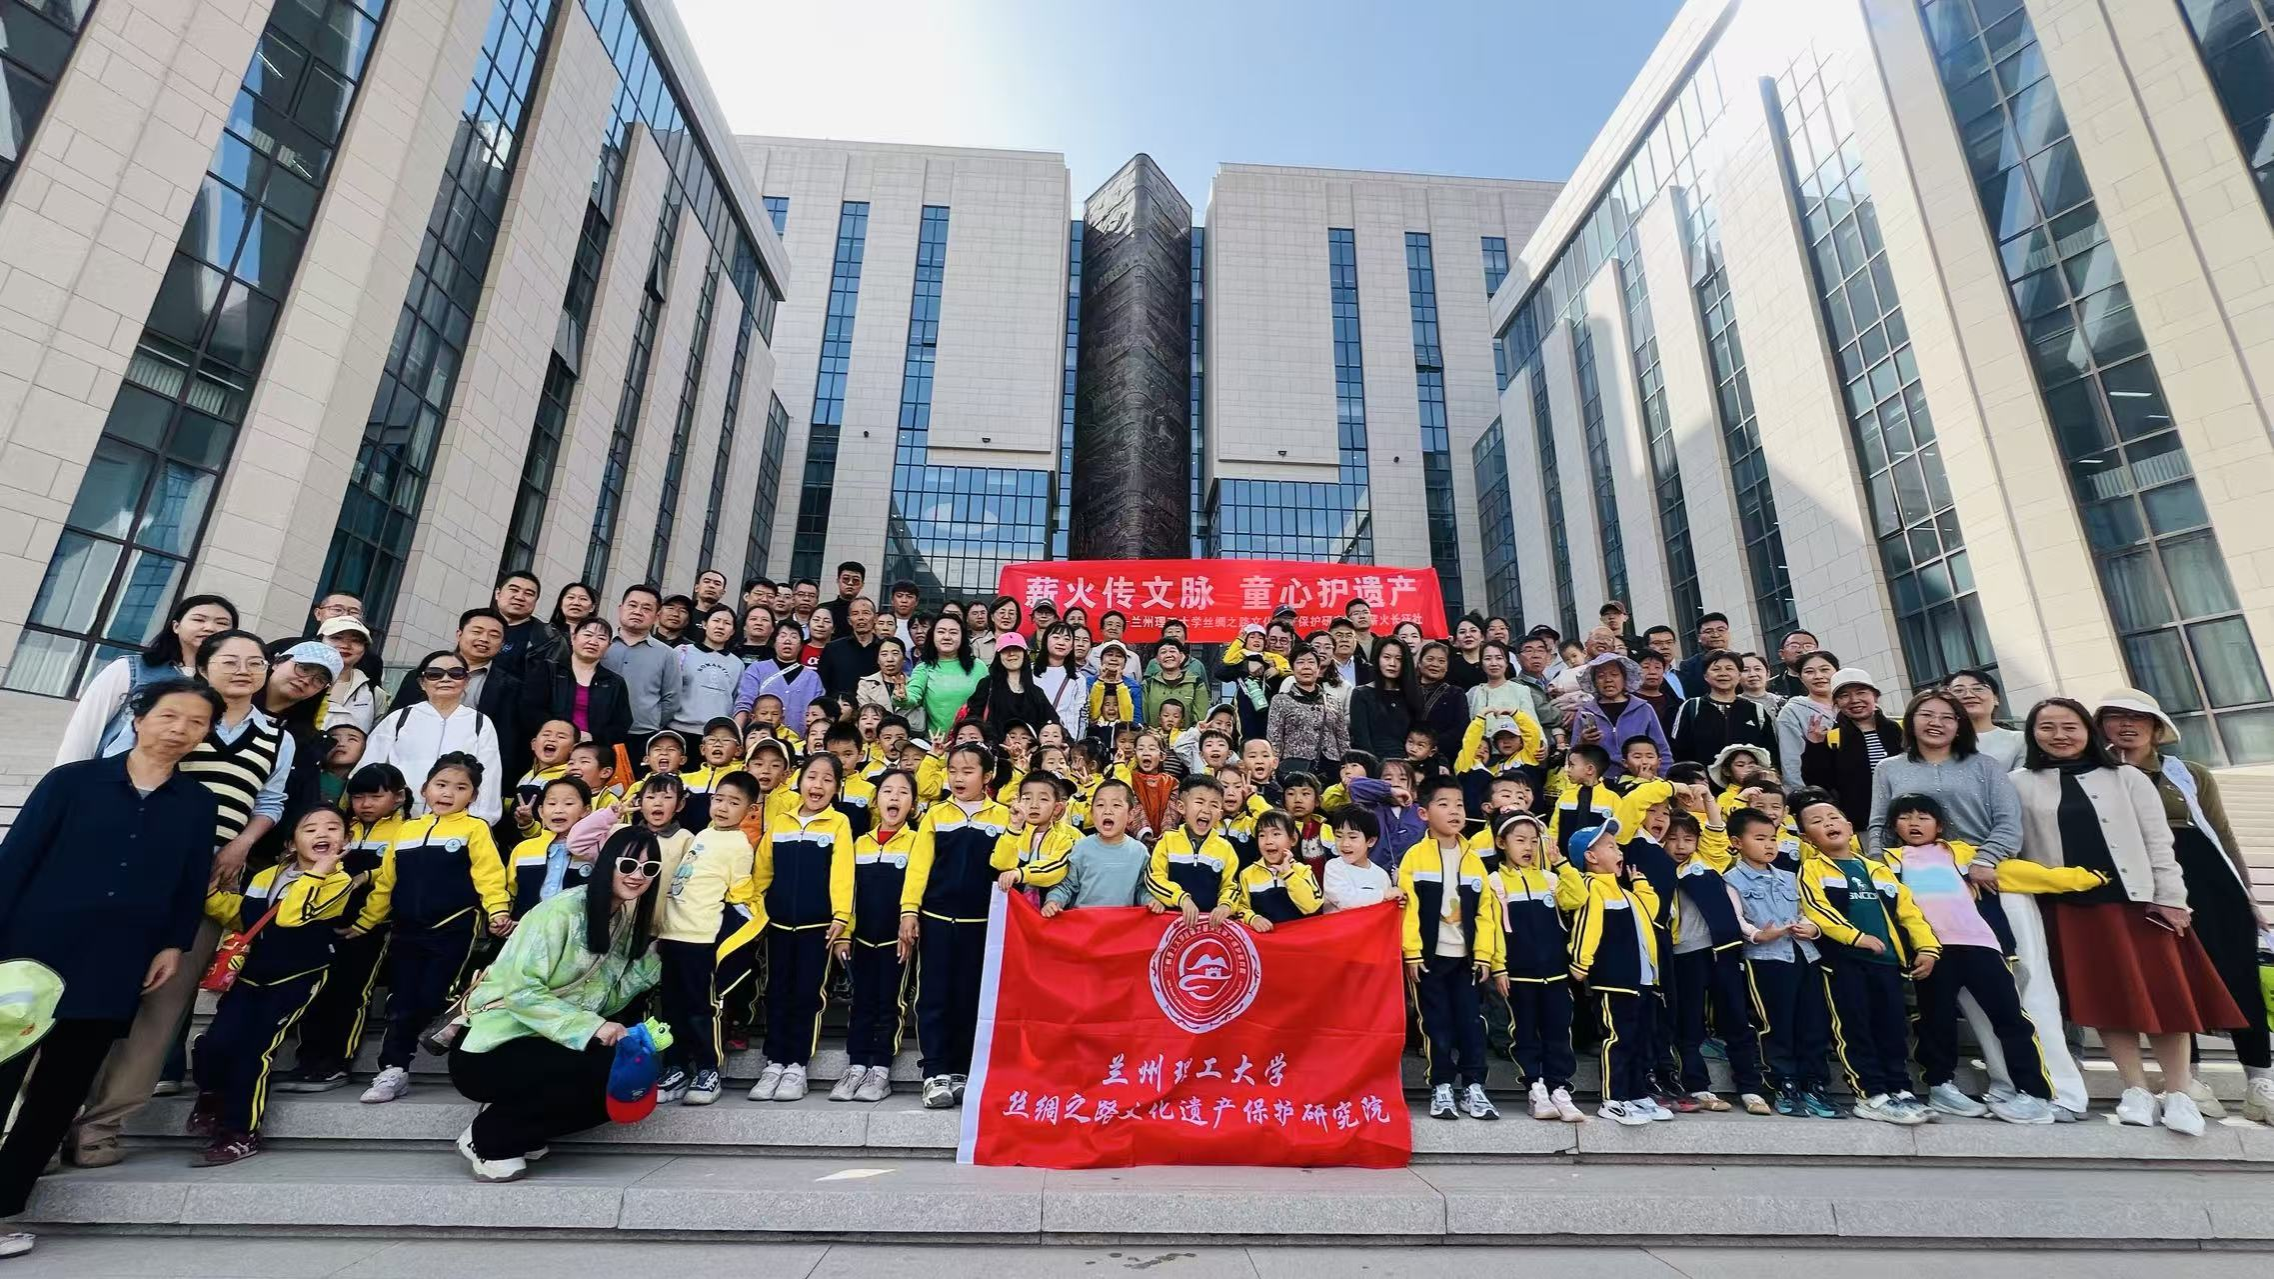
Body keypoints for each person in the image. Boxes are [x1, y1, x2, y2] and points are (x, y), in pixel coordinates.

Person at [0, 678, 220, 1248]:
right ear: (138, 717)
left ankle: (3, 1208)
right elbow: (15, 859)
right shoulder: (71, 782)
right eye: (169, 715)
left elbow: (189, 881)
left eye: (196, 722)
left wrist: (172, 944)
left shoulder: (198, 804)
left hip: (117, 959)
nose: (180, 730)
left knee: (60, 1091)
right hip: (33, 953)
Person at [2011, 698, 2240, 1136]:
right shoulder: (2019, 783)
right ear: (2033, 734)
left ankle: (2179, 1091)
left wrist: (2171, 897)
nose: (2059, 735)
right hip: (2072, 908)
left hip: (2139, 903)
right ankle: (2134, 1087)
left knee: (2167, 997)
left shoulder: (2127, 777)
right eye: (2047, 727)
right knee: (2105, 999)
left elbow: (2158, 841)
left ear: (2088, 731)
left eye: (2069, 726)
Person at [446, 827, 663, 1183]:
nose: (637, 875)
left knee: (629, 1074)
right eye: (628, 864)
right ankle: (490, 1138)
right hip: (491, 1045)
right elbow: (522, 992)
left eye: (649, 868)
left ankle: (517, 1129)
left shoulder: (620, 918)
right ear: (607, 863)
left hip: (546, 1044)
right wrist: (593, 1027)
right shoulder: (560, 911)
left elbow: (602, 997)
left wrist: (652, 963)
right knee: (604, 1070)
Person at [2097, 687, 2274, 1124]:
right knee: (2172, 978)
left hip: (2208, 878)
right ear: (2101, 727)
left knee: (2238, 975)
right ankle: (2188, 1079)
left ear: (2157, 728)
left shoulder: (2188, 773)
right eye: (2115, 716)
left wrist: (2247, 893)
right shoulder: (2097, 775)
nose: (2127, 724)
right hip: (2140, 881)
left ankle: (2259, 1079)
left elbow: (2221, 832)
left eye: (2138, 717)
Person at [1879, 793, 2068, 1125]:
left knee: (2011, 1018)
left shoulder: (1962, 852)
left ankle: (2035, 1094)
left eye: (1923, 817)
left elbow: (2021, 872)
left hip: (1981, 944)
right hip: (1932, 950)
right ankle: (1940, 1085)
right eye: (1905, 818)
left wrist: (2087, 878)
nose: (1914, 823)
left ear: (1939, 825)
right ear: (1894, 827)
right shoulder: (1886, 861)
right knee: (1935, 1020)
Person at [188, 806, 359, 1165]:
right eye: (309, 829)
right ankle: (213, 1096)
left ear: (346, 839)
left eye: (333, 828)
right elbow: (243, 915)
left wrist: (319, 871)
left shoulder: (338, 881)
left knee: (254, 1051)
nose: (322, 834)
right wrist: (211, 896)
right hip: (251, 974)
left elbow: (291, 916)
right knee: (214, 1044)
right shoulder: (268, 875)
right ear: (291, 842)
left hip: (297, 976)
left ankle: (241, 1132)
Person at [356, 753, 514, 1105]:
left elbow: (489, 875)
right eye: (441, 785)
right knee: (401, 1001)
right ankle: (394, 1069)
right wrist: (365, 921)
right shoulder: (405, 831)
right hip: (406, 931)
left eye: (460, 788)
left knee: (433, 996)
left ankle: (462, 1040)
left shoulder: (475, 829)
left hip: (453, 927)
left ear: (473, 796)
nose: (448, 793)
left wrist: (497, 910)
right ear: (425, 789)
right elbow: (386, 883)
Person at [1791, 787, 1940, 1125]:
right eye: (1816, 821)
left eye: (1833, 817)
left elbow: (1910, 914)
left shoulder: (1879, 870)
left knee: (1892, 1028)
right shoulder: (1812, 869)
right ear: (1806, 837)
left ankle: (1900, 1089)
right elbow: (1816, 910)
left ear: (1849, 826)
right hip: (1844, 962)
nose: (1828, 823)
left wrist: (1927, 948)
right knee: (1854, 1027)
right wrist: (1855, 937)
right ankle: (1870, 1094)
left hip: (1887, 964)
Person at [900, 742, 1012, 1108]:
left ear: (988, 776)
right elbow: (919, 867)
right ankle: (935, 1072)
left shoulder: (1003, 817)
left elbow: (1006, 865)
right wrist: (909, 911)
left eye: (968, 771)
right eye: (953, 771)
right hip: (936, 921)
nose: (958, 778)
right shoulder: (936, 815)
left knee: (969, 998)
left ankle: (962, 1070)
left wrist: (1015, 830)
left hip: (980, 924)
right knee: (933, 998)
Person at [746, 755, 854, 1103]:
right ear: (799, 780)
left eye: (827, 779)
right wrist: (755, 911)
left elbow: (843, 872)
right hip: (778, 926)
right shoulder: (781, 822)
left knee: (808, 995)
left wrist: (841, 916)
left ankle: (796, 1066)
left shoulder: (838, 823)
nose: (817, 785)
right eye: (812, 777)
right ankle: (774, 1062)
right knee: (777, 992)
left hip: (818, 929)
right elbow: (763, 871)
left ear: (837, 788)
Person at [652, 771, 759, 1108]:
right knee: (672, 1008)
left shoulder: (739, 845)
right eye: (719, 799)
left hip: (701, 938)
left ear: (749, 810)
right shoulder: (702, 834)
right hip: (673, 934)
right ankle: (676, 1067)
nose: (723, 807)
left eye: (734, 802)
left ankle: (707, 1069)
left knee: (702, 1008)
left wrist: (727, 942)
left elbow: (741, 896)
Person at [1400, 776, 1503, 1121]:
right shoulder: (1415, 858)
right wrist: (1412, 952)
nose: (1454, 811)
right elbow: (1408, 910)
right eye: (1443, 804)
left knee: (1471, 1023)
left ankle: (1474, 1086)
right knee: (1437, 1023)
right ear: (1423, 813)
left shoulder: (1473, 859)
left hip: (1467, 960)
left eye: (1459, 804)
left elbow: (1486, 912)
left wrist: (1484, 955)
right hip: (1429, 960)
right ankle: (1442, 1085)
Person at [1725, 806, 1835, 1118]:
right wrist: (1759, 934)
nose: (1769, 845)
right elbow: (1737, 920)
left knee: (1813, 1021)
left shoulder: (1789, 877)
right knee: (1777, 1023)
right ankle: (1784, 1083)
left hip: (1804, 955)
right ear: (1737, 842)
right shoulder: (1731, 879)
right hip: (1766, 959)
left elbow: (1807, 912)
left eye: (1772, 838)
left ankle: (1814, 1083)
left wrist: (1812, 928)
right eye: (1760, 839)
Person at [54, 595, 239, 765]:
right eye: (199, 620)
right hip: (113, 777)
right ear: (176, 626)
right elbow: (84, 731)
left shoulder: (231, 684)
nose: (209, 628)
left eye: (222, 623)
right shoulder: (131, 669)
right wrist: (64, 780)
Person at [1566, 823, 1663, 1125]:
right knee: (1618, 1038)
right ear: (1591, 856)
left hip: (1641, 979)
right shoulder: (1593, 886)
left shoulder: (1625, 893)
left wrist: (1642, 885)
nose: (1619, 851)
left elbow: (1651, 911)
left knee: (1640, 1038)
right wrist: (1580, 963)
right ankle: (1613, 1098)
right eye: (1610, 846)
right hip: (1613, 979)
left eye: (1618, 846)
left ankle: (1636, 1094)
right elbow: (1587, 926)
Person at [1865, 688, 2023, 866]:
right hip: (1915, 869)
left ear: (1959, 726)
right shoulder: (1887, 768)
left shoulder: (1986, 765)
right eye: (1927, 715)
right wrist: (1878, 861)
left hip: (1983, 868)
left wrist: (1985, 860)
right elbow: (1880, 824)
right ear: (1910, 721)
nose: (1936, 723)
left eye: (1947, 717)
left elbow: (2009, 822)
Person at [840, 768, 919, 1102]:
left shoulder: (918, 842)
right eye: (887, 791)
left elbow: (917, 890)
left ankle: (880, 1071)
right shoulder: (859, 843)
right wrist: (845, 933)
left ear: (913, 804)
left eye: (903, 792)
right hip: (861, 940)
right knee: (860, 1004)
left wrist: (910, 930)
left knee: (889, 1005)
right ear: (875, 800)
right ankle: (856, 1065)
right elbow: (848, 892)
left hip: (897, 941)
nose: (894, 797)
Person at [364, 650, 508, 825]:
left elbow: (489, 777)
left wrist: (480, 820)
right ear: (422, 682)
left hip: (455, 825)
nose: (445, 679)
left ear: (466, 681)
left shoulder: (480, 723)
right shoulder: (399, 718)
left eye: (456, 673)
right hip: (397, 820)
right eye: (435, 674)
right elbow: (370, 767)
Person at [1798, 666, 1902, 832]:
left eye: (1861, 693)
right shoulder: (1833, 737)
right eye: (1844, 696)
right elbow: (1819, 784)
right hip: (1861, 825)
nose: (1854, 700)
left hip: (1906, 819)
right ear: (1836, 702)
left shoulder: (1898, 729)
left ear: (1875, 696)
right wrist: (1815, 746)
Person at [601, 585, 678, 757]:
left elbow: (671, 699)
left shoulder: (667, 654)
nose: (637, 611)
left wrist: (652, 720)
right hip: (598, 731)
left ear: (657, 616)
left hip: (641, 735)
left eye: (646, 608)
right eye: (632, 605)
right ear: (620, 608)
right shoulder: (601, 644)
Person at [1566, 653, 1668, 779]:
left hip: (1641, 780)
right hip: (1599, 782)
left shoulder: (1644, 709)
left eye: (1614, 674)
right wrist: (1583, 742)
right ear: (1594, 682)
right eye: (1601, 676)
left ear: (1625, 678)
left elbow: (1662, 749)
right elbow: (1573, 754)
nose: (1608, 680)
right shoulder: (1585, 712)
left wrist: (1666, 780)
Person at [1668, 650, 1775, 764]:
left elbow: (1770, 752)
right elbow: (1678, 750)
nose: (1723, 673)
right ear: (1705, 676)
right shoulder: (1691, 707)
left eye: (1729, 669)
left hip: (1747, 775)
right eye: (1716, 669)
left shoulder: (1755, 710)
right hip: (1702, 775)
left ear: (1739, 675)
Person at [543, 617, 634, 751]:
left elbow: (622, 723)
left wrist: (594, 738)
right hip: (551, 748)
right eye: (588, 635)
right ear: (574, 638)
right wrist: (564, 735)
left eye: (601, 638)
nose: (593, 642)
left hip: (593, 751)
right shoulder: (548, 670)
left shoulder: (615, 682)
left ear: (608, 646)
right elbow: (533, 709)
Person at [901, 613, 988, 738]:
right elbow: (913, 695)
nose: (947, 637)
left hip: (970, 742)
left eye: (953, 632)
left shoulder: (978, 666)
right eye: (941, 632)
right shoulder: (924, 667)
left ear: (962, 637)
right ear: (932, 636)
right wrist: (903, 697)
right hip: (934, 743)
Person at [1267, 650, 1349, 781]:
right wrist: (1272, 773)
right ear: (1292, 668)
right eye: (1300, 662)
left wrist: (1347, 768)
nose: (1306, 667)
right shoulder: (1280, 700)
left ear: (1318, 668)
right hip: (1295, 767)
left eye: (1311, 662)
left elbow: (1343, 739)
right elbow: (1274, 739)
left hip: (1332, 768)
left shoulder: (1333, 701)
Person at [669, 605, 747, 735]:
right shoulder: (683, 652)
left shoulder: (737, 664)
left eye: (727, 623)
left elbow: (736, 700)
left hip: (716, 734)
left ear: (733, 631)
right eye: (716, 620)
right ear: (705, 624)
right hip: (679, 728)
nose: (720, 626)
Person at [1237, 811, 1322, 928]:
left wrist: (1288, 874)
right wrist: (1252, 918)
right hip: (1265, 937)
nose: (1268, 841)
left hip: (1299, 936)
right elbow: (1240, 907)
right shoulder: (1247, 874)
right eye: (1262, 835)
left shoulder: (1303, 871)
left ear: (1293, 839)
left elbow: (1312, 907)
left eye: (1276, 834)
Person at [962, 632, 1055, 740]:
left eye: (1016, 649)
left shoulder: (1036, 692)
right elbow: (973, 720)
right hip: (994, 749)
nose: (1011, 654)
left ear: (1025, 654)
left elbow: (1052, 721)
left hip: (1029, 750)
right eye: (1005, 650)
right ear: (999, 655)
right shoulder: (987, 685)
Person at [1774, 650, 1840, 783]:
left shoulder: (1850, 705)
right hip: (1818, 786)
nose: (1818, 676)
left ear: (1837, 672)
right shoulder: (1792, 711)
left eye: (1824, 670)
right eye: (1809, 672)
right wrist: (1801, 792)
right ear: (1800, 678)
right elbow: (1791, 759)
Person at [1350, 638, 1415, 764]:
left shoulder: (1411, 694)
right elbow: (1362, 740)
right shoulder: (1361, 694)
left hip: (1408, 764)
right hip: (1375, 764)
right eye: (1387, 657)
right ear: (1377, 659)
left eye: (1399, 659)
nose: (1392, 663)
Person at [491, 569, 561, 684]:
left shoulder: (548, 638)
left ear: (536, 601)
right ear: (498, 594)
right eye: (514, 590)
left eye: (528, 594)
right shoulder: (477, 624)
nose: (519, 597)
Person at [1947, 668, 2023, 770]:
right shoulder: (1939, 740)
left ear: (1996, 699)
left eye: (1978, 689)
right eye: (1958, 690)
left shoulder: (2019, 739)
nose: (1968, 695)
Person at [1409, 642, 1471, 763]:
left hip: (1441, 757)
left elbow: (1461, 728)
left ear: (1447, 667)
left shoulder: (1455, 693)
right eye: (1430, 659)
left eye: (1441, 661)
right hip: (1406, 752)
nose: (1435, 664)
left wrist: (1430, 746)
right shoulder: (1407, 690)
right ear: (1419, 663)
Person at [319, 616, 382, 732]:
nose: (346, 646)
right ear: (320, 641)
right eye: (337, 638)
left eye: (356, 640)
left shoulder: (374, 693)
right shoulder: (298, 679)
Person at [817, 596, 882, 698]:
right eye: (855, 614)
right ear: (849, 620)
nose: (861, 618)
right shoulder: (833, 649)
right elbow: (822, 685)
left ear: (875, 618)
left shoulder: (884, 649)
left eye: (866, 613)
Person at [1769, 628, 1819, 700]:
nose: (1801, 650)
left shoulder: (1832, 680)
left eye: (1808, 646)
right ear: (1782, 654)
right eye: (1794, 646)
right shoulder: (1770, 686)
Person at [821, 562, 867, 637]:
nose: (850, 583)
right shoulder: (824, 609)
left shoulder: (866, 613)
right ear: (838, 581)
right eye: (846, 579)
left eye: (855, 580)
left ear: (862, 585)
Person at [1737, 652, 1785, 721]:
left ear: (1768, 673)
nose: (1752, 674)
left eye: (1757, 669)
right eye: (1745, 670)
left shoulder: (1781, 703)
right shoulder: (1732, 705)